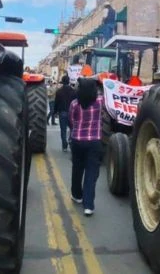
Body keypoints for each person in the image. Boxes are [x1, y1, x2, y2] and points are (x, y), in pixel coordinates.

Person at [68, 78, 104, 216]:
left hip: (77, 141)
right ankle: (88, 205)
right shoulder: (100, 102)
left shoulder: (74, 104)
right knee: (91, 172)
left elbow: (71, 121)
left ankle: (77, 195)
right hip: (94, 142)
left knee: (77, 169)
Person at [54, 75, 77, 152]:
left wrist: (55, 112)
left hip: (62, 113)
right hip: (72, 113)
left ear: (62, 82)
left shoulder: (59, 92)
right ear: (69, 81)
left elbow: (56, 103)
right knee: (72, 128)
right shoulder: (74, 91)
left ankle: (64, 146)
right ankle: (70, 140)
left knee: (63, 130)